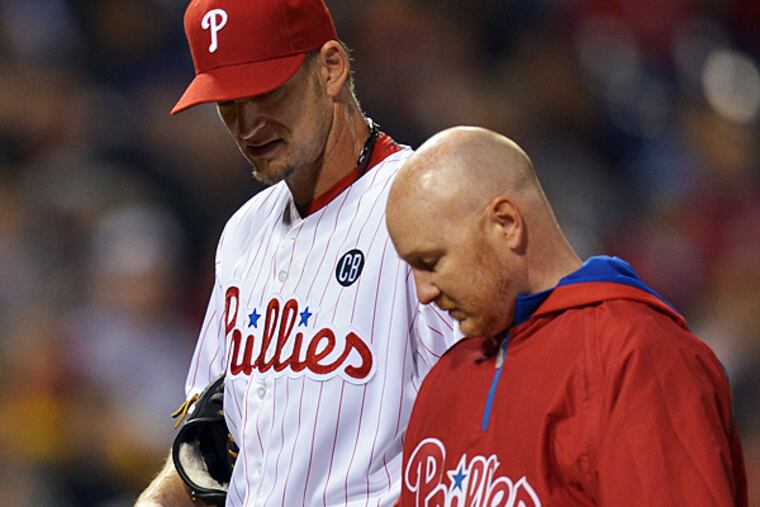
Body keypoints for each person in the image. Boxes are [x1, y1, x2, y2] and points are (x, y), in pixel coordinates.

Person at [136, 0, 459, 505]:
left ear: (331, 67)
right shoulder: (243, 232)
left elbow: (489, 419)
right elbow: (213, 450)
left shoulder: (424, 203)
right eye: (229, 104)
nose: (248, 125)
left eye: (265, 93)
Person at [386, 126, 748, 506]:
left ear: (506, 223)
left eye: (431, 262)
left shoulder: (636, 353)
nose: (423, 292)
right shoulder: (445, 380)